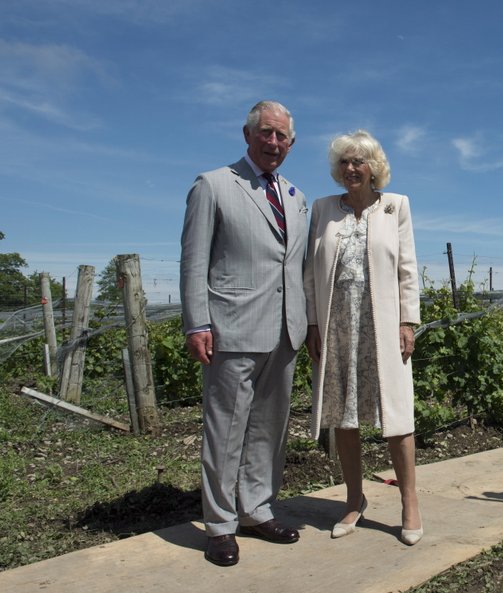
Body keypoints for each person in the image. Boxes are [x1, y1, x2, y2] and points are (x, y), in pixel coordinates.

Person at [179, 100, 308, 567]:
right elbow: (194, 260)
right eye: (266, 133)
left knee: (269, 430)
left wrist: (306, 323)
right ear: (248, 134)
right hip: (232, 328)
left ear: (291, 144)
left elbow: (296, 267)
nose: (274, 143)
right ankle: (219, 524)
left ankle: (256, 508)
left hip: (285, 331)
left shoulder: (295, 196)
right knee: (225, 430)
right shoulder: (213, 185)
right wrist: (197, 322)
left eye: (283, 137)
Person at [303, 130, 423, 545]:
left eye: (360, 162)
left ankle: (409, 502)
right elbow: (308, 274)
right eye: (344, 162)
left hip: (383, 323)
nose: (351, 169)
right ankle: (354, 500)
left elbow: (407, 269)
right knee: (342, 414)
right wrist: (313, 325)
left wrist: (408, 322)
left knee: (396, 415)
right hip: (336, 323)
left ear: (375, 168)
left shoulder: (396, 207)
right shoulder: (321, 209)